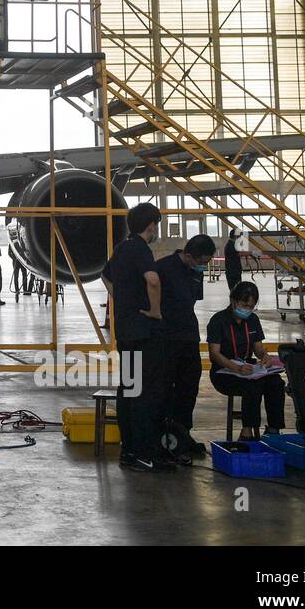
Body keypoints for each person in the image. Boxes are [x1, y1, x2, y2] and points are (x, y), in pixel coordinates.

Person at [100, 202, 171, 472]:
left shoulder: (121, 248)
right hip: (144, 332)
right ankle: (144, 451)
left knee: (128, 389)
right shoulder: (141, 249)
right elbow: (153, 280)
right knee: (145, 393)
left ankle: (129, 450)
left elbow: (104, 276)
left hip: (126, 331)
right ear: (151, 225)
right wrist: (154, 310)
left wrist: (121, 298)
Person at [154, 233, 216, 461]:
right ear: (188, 255)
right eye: (201, 262)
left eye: (206, 263)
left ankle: (183, 433)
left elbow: (191, 301)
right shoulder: (163, 269)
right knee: (166, 388)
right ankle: (165, 436)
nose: (203, 267)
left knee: (189, 387)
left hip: (189, 337)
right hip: (167, 338)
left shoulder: (196, 273)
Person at [207, 281, 285, 439]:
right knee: (253, 385)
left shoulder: (253, 320)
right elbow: (214, 354)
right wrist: (236, 368)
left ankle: (274, 429)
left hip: (248, 369)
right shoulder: (218, 320)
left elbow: (258, 349)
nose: (247, 309)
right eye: (244, 304)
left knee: (276, 383)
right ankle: (247, 430)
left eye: (251, 306)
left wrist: (265, 357)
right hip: (224, 372)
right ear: (233, 300)